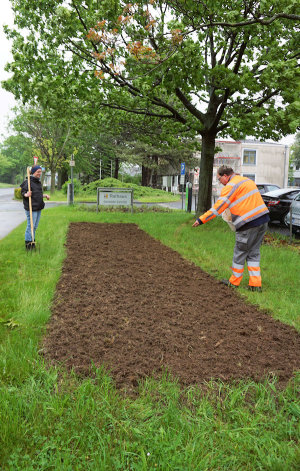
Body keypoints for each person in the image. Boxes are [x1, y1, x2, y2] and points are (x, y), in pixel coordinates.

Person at [192, 166, 270, 292]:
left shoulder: (231, 186)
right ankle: (255, 285)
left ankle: (234, 282)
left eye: (219, 179)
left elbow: (218, 208)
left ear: (225, 176)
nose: (219, 182)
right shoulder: (246, 181)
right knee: (253, 253)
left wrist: (201, 220)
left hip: (248, 224)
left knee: (240, 252)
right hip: (263, 221)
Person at [20, 165, 50, 250]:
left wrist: (45, 195)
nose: (40, 173)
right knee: (31, 226)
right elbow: (22, 192)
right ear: (33, 172)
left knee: (35, 226)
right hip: (31, 207)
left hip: (38, 207)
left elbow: (37, 194)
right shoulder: (28, 181)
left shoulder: (37, 181)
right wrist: (26, 194)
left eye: (40, 172)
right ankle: (28, 244)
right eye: (38, 172)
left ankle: (32, 241)